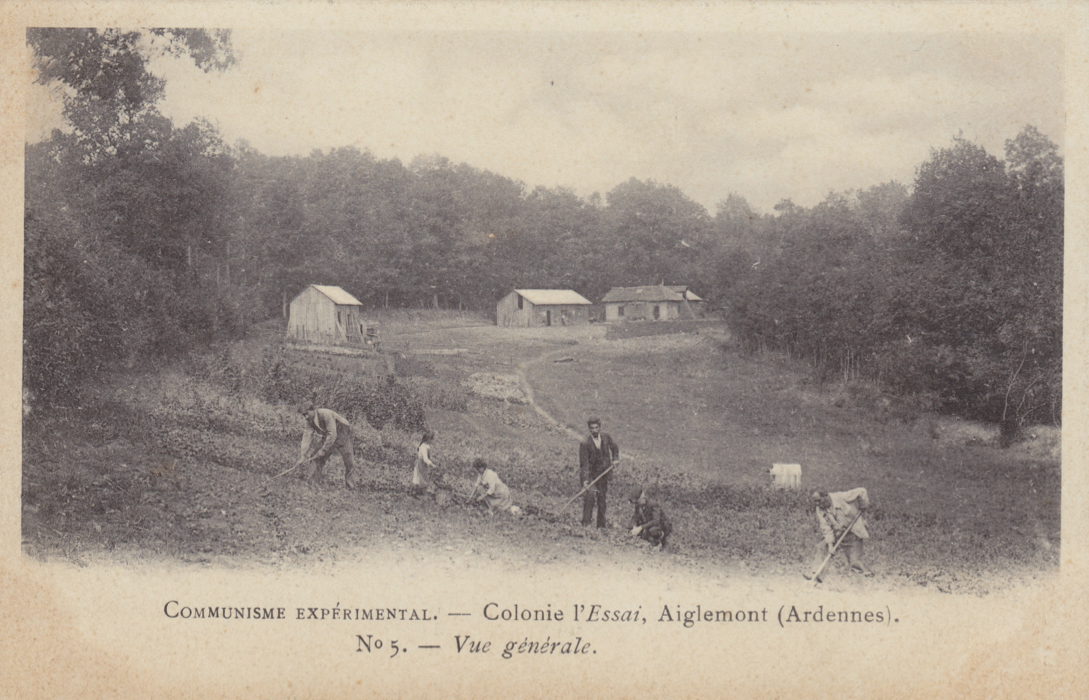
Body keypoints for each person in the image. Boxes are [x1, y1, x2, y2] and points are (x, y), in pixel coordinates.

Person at [804, 487, 874, 581]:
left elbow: (862, 491)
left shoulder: (841, 497)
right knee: (822, 547)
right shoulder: (820, 509)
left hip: (853, 532)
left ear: (826, 496)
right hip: (838, 533)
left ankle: (864, 582)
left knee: (855, 562)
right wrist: (830, 546)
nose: (817, 504)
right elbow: (826, 527)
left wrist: (863, 506)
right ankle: (816, 574)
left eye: (818, 500)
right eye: (815, 502)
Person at [298, 401, 358, 488]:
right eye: (304, 415)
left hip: (342, 431)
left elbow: (333, 434)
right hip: (329, 435)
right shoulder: (309, 420)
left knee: (349, 461)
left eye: (306, 414)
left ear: (312, 410)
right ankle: (312, 484)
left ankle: (351, 486)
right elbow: (307, 436)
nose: (306, 417)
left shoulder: (325, 414)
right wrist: (303, 455)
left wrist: (323, 450)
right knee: (315, 457)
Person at [579, 418, 620, 528]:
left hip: (604, 474)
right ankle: (585, 525)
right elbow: (584, 464)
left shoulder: (606, 438)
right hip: (591, 475)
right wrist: (586, 480)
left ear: (600, 427)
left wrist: (615, 458)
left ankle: (601, 527)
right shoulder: (585, 443)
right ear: (589, 429)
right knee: (590, 496)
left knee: (602, 499)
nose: (595, 430)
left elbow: (614, 447)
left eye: (596, 427)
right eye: (592, 428)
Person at [627, 485, 672, 549]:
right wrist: (634, 527)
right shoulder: (638, 505)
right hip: (649, 523)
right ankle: (649, 539)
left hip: (662, 526)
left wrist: (640, 527)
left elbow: (656, 521)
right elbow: (635, 516)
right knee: (630, 526)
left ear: (641, 498)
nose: (636, 504)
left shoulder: (653, 504)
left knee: (653, 530)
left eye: (637, 501)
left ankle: (661, 540)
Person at [412, 431, 438, 497]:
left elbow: (428, 456)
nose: (433, 441)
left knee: (421, 479)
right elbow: (425, 459)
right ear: (429, 439)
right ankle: (422, 496)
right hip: (421, 464)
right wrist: (432, 465)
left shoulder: (427, 445)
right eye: (432, 439)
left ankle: (418, 494)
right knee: (422, 479)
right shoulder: (423, 447)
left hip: (423, 465)